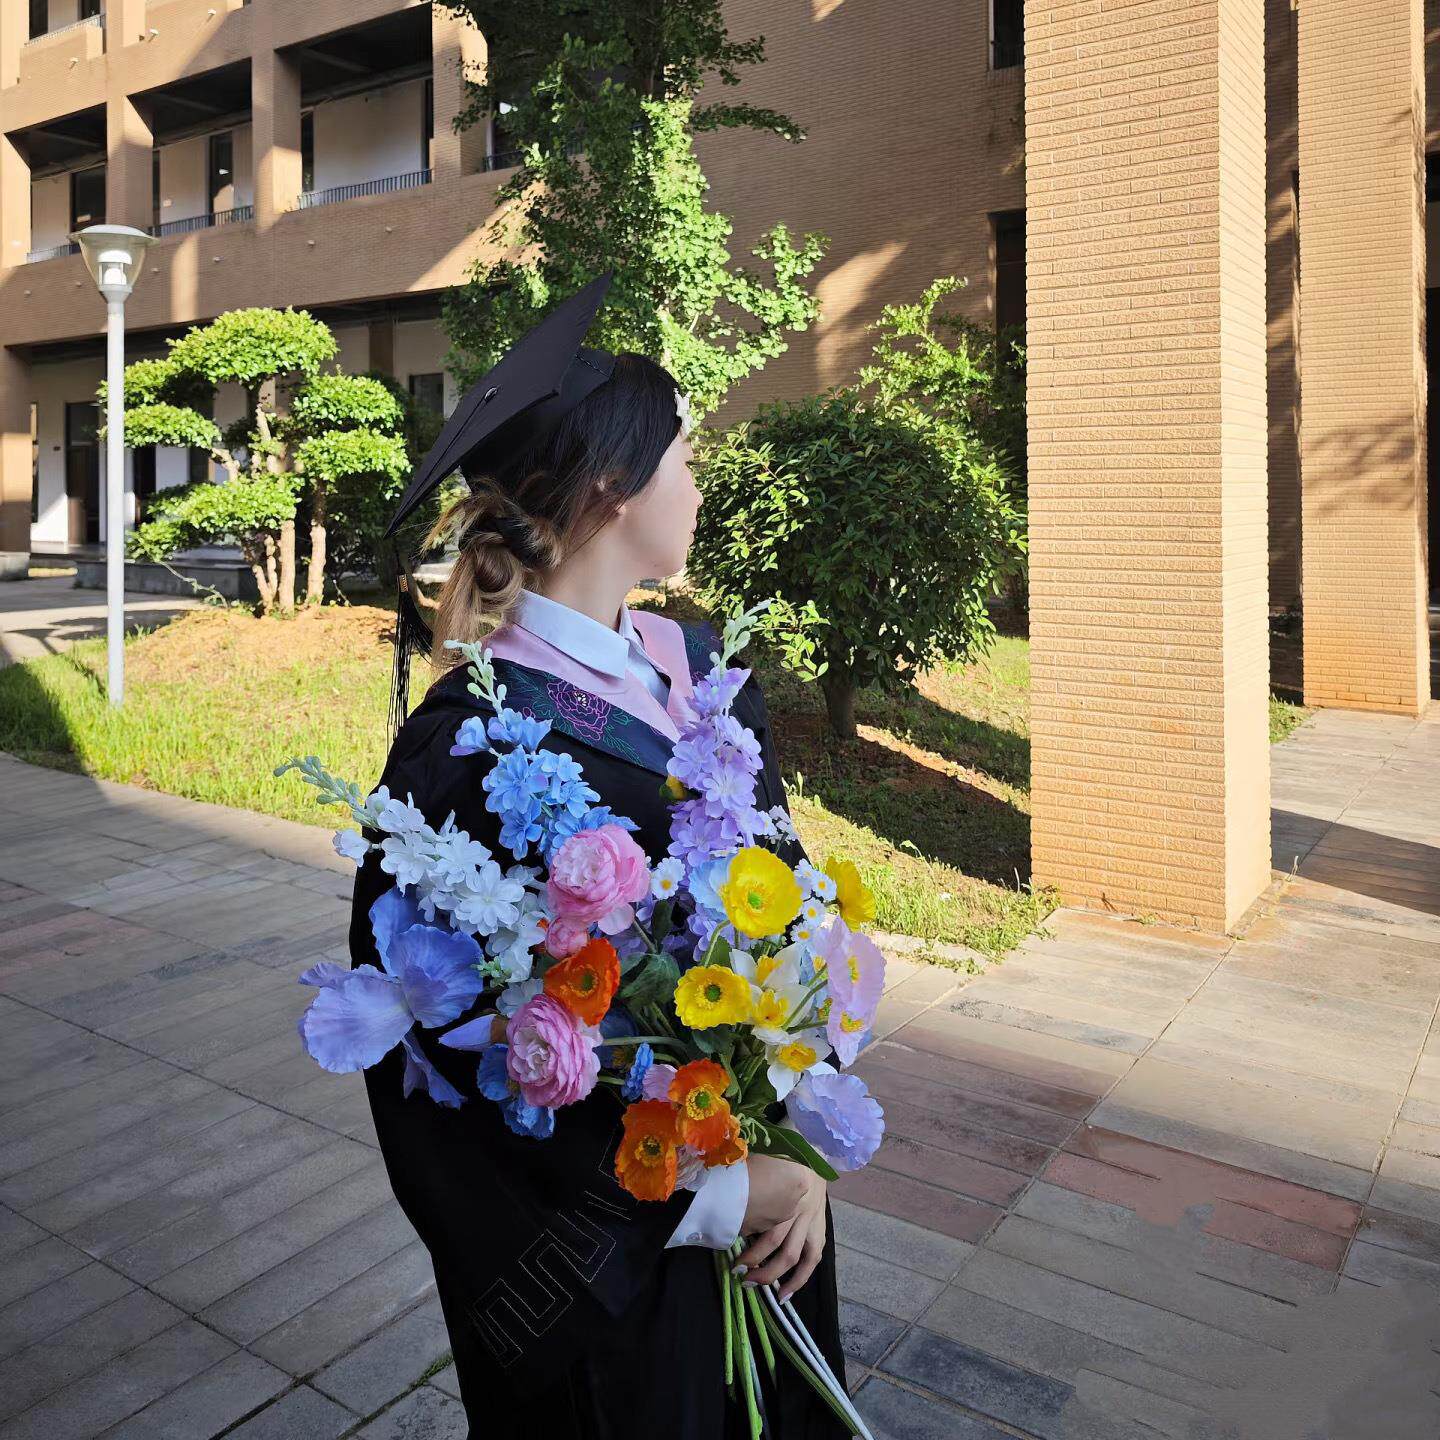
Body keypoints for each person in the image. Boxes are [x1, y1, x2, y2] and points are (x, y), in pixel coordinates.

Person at [348, 283, 849, 1439]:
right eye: (687, 452)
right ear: (616, 487)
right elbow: (443, 1071)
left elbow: (784, 893)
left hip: (778, 1209)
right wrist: (717, 1187)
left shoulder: (697, 667)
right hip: (626, 1276)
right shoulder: (471, 743)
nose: (702, 480)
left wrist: (796, 1124)